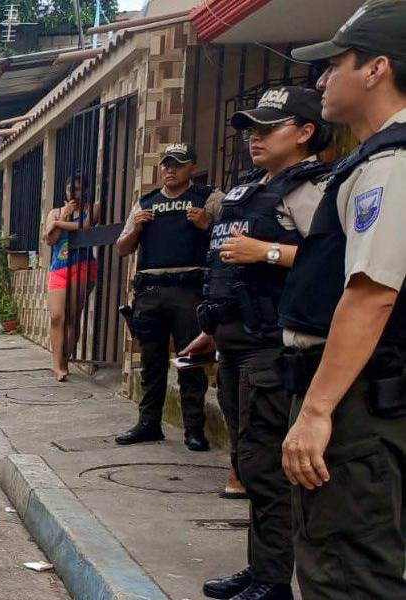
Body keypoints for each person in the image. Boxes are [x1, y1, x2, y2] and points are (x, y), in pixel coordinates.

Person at [182, 86, 332, 600]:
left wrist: (265, 252)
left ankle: (273, 581)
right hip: (234, 339)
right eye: (252, 129)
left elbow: (331, 264)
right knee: (249, 462)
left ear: (306, 132)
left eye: (269, 128)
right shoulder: (252, 189)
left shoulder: (311, 190)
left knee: (265, 465)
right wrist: (211, 330)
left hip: (274, 344)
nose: (254, 138)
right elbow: (227, 270)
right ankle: (261, 566)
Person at [277, 3, 406, 597]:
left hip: (360, 404)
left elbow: (370, 297)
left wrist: (317, 410)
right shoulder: (371, 160)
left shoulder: (390, 165)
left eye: (335, 65)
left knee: (345, 574)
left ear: (377, 69)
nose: (322, 81)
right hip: (364, 394)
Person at [114, 143, 222, 451]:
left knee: (191, 361)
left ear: (191, 168)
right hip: (151, 290)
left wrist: (207, 226)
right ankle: (149, 423)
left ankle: (194, 429)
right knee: (151, 361)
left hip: (190, 289)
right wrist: (136, 227)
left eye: (177, 164)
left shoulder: (209, 199)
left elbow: (233, 235)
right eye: (165, 164)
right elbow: (123, 248)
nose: (169, 170)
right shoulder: (146, 203)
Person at [42, 174, 99, 382]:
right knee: (57, 316)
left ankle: (65, 358)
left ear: (84, 190)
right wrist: (62, 216)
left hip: (81, 266)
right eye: (68, 189)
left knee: (72, 317)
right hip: (58, 266)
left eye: (76, 189)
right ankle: (57, 365)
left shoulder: (92, 208)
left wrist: (57, 224)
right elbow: (50, 238)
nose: (71, 193)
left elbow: (83, 228)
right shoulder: (55, 212)